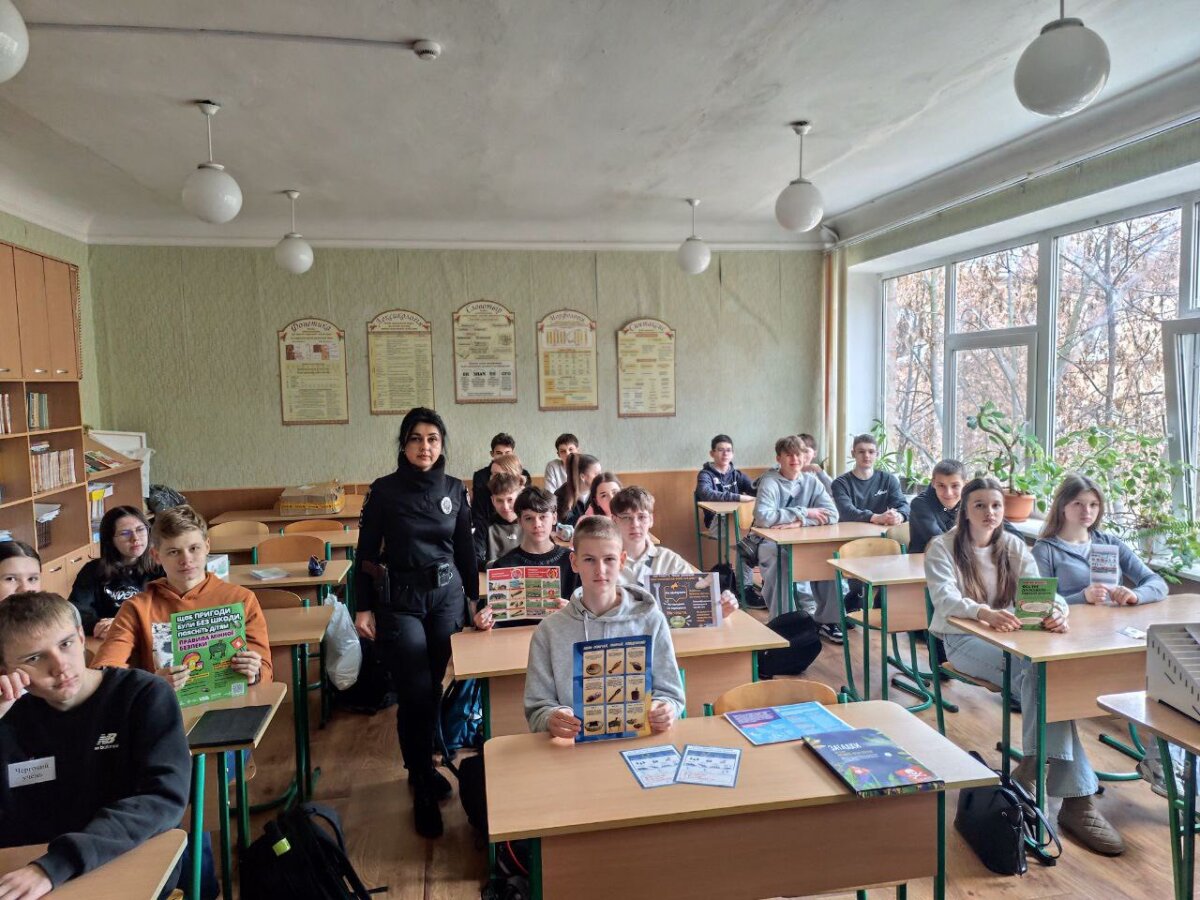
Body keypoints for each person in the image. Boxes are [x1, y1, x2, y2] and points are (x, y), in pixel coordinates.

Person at [925, 476, 1123, 856]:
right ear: (965, 510)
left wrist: (1058, 612)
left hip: (1013, 638)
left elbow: (1043, 590)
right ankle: (1076, 800)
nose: (990, 512)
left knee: (1042, 674)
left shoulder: (1013, 545)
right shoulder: (942, 547)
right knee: (1042, 677)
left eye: (996, 505)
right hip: (964, 639)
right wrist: (983, 613)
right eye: (980, 505)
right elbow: (944, 599)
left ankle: (1034, 766)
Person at [0, 591, 191, 898]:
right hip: (28, 875)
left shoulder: (143, 695)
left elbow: (162, 799)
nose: (60, 666)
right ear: (5, 670)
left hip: (129, 862)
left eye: (66, 644)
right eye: (34, 658)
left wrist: (56, 865)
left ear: (80, 637)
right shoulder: (7, 717)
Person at [353, 407, 477, 839]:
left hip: (446, 598)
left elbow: (466, 550)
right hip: (400, 600)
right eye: (416, 438)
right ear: (403, 444)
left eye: (433, 439)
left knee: (435, 683)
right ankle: (422, 778)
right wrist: (363, 607)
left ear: (441, 445)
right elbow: (366, 552)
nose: (425, 446)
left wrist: (476, 600)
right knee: (415, 689)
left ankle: (422, 763)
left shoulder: (455, 489)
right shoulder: (384, 491)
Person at [523, 515, 685, 736]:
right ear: (574, 562)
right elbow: (537, 708)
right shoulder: (548, 631)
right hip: (573, 746)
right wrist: (551, 718)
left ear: (622, 560)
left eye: (609, 559)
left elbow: (671, 695)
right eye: (589, 559)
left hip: (639, 741)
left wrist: (665, 709)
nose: (600, 570)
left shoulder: (651, 621)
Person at [91, 504, 271, 688]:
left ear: (207, 546)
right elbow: (105, 671)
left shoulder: (241, 599)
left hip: (232, 702)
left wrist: (254, 673)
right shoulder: (137, 608)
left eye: (194, 548)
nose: (186, 560)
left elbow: (265, 669)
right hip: (163, 703)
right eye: (174, 552)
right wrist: (150, 684)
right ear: (156, 556)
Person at [750, 436, 842, 636]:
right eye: (789, 455)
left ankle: (828, 620)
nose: (795, 459)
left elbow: (832, 514)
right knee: (782, 562)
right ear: (779, 458)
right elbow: (764, 517)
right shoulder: (770, 481)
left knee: (828, 560)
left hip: (804, 542)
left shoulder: (811, 481)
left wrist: (800, 522)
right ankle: (783, 623)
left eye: (798, 454)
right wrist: (805, 512)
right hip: (772, 543)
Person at [1033, 474, 1167, 607]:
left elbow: (1158, 583)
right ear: (1062, 506)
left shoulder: (1110, 542)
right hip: (1071, 620)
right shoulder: (1044, 550)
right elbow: (1038, 604)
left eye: (1093, 504)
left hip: (1114, 619)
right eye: (1078, 504)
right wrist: (1083, 597)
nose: (1087, 511)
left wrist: (1136, 595)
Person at [610, 486, 739, 619]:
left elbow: (701, 599)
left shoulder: (669, 560)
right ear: (614, 521)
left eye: (642, 517)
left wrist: (722, 607)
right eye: (626, 517)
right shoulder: (604, 562)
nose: (635, 524)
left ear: (651, 520)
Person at [472, 486, 575, 630]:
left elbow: (588, 613)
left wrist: (573, 611)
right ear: (519, 521)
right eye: (529, 518)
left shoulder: (571, 561)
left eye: (543, 517)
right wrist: (484, 623)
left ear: (554, 518)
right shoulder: (504, 565)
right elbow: (496, 622)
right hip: (515, 641)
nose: (537, 524)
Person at [832, 433, 911, 612]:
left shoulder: (888, 479)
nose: (866, 456)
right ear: (853, 453)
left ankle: (885, 606)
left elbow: (903, 505)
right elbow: (847, 511)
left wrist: (899, 516)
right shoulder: (841, 483)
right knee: (859, 585)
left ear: (877, 454)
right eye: (861, 452)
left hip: (882, 538)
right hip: (851, 540)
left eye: (871, 452)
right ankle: (853, 604)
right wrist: (877, 517)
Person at [68, 506, 163, 639]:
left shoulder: (162, 566)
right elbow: (75, 613)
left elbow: (172, 610)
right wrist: (98, 625)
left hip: (152, 638)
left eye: (140, 529)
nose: (135, 538)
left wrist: (123, 624)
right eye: (125, 533)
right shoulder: (92, 571)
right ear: (110, 540)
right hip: (110, 640)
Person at [694, 434, 755, 531]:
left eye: (728, 450)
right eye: (720, 450)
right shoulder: (705, 475)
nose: (725, 453)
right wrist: (739, 497)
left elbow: (755, 490)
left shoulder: (737, 475)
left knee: (761, 519)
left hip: (738, 518)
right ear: (712, 453)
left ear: (732, 454)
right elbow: (706, 493)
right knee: (739, 525)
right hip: (716, 522)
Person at [469, 434, 531, 527]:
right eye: (499, 453)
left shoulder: (524, 474)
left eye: (507, 453)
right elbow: (479, 511)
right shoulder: (481, 476)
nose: (503, 456)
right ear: (492, 454)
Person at [908, 460, 967, 554]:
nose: (948, 493)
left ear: (965, 484)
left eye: (955, 486)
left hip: (961, 559)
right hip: (923, 560)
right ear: (933, 483)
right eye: (941, 485)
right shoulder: (920, 504)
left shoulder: (970, 503)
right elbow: (940, 543)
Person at [473, 472, 524, 570]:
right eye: (499, 500)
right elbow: (474, 559)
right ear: (493, 500)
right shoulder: (484, 526)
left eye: (510, 500)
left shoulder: (531, 522)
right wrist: (498, 566)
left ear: (519, 498)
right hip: (494, 576)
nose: (505, 507)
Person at [555, 453, 601, 527]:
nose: (600, 477)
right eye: (596, 474)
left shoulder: (600, 492)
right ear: (583, 477)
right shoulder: (560, 496)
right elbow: (563, 526)